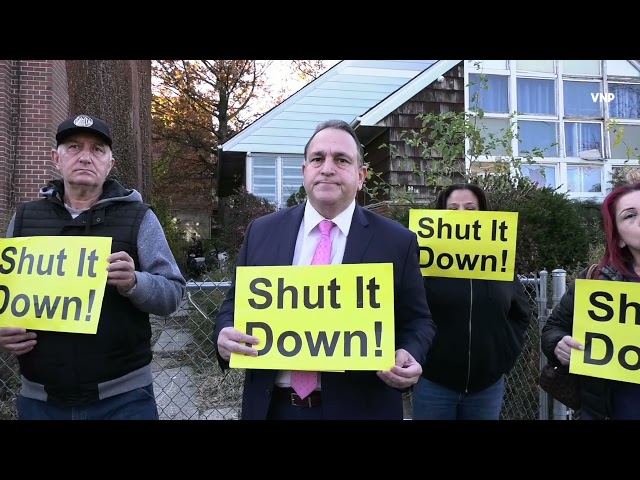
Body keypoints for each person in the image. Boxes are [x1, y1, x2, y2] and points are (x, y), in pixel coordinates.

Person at [213, 119, 436, 420]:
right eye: (318, 159)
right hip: (272, 408)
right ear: (305, 171)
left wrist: (410, 352)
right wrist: (224, 334)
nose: (327, 168)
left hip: (362, 410)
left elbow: (419, 321)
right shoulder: (261, 232)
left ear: (361, 176)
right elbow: (233, 305)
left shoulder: (398, 241)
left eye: (341, 160)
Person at [0, 114, 186, 420]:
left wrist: (135, 283)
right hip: (40, 399)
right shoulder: (23, 220)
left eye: (97, 149)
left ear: (110, 164)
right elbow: (5, 295)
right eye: (73, 147)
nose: (85, 156)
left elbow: (172, 294)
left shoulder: (139, 218)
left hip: (124, 399)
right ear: (56, 159)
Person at [411, 183, 531, 420]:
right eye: (453, 208)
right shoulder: (422, 264)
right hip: (433, 383)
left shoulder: (499, 264)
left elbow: (521, 313)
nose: (462, 214)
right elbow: (410, 313)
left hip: (486, 387)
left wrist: (502, 358)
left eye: (470, 207)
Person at [541, 181, 640, 420]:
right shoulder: (596, 281)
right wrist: (559, 345)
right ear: (619, 239)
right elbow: (553, 328)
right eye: (630, 215)